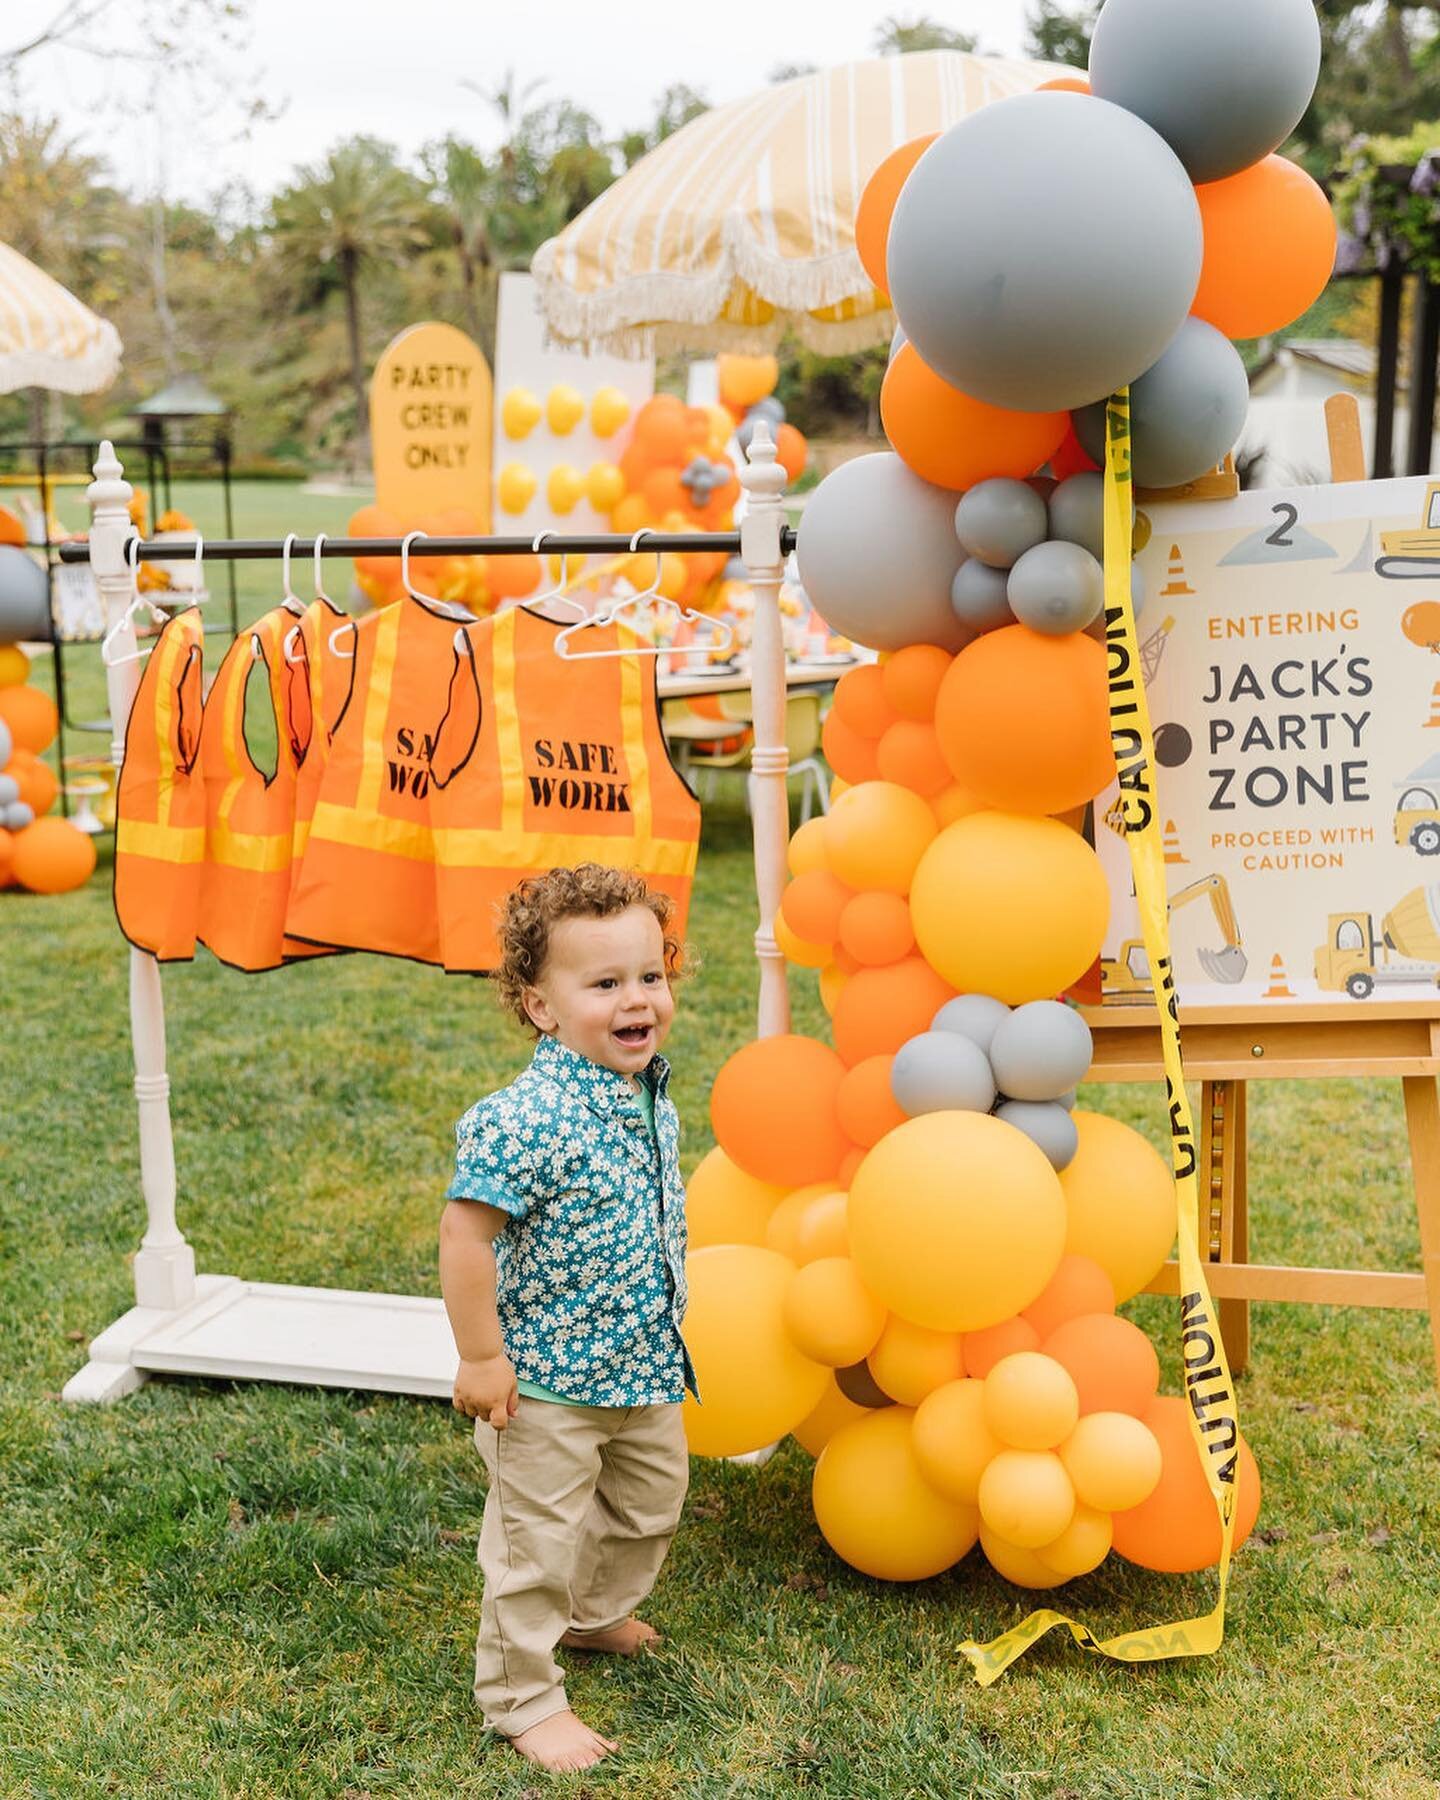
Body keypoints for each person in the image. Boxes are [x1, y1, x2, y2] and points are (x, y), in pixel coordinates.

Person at [438, 863, 695, 1774]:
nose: (637, 1000)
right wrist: (481, 1357)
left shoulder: (644, 1091)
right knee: (533, 1544)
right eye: (604, 984)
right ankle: (520, 1697)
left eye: (649, 976)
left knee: (646, 1509)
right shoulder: (525, 1119)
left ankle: (591, 1618)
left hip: (643, 1368)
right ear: (539, 1007)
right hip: (544, 1385)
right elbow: (466, 1238)